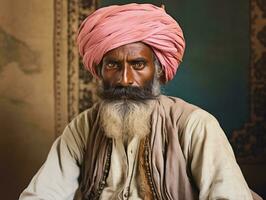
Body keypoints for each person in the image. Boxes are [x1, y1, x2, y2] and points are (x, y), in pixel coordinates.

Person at [19, 3, 262, 200]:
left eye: (138, 65)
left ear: (157, 70)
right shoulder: (82, 129)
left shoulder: (195, 125)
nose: (125, 80)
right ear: (99, 71)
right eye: (113, 65)